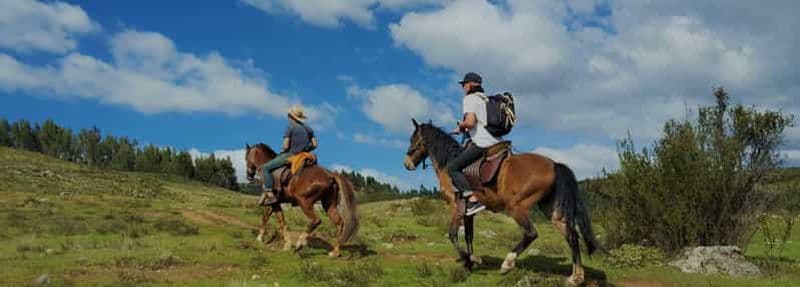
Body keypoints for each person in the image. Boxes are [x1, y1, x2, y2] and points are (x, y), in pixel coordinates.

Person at [448, 72, 501, 216]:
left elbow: (471, 122)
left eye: (464, 84)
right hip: (497, 141)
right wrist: (461, 128)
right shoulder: (486, 99)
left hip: (483, 143)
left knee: (452, 168)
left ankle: (474, 198)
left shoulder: (470, 98)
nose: (463, 87)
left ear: (471, 84)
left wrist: (462, 124)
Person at [259, 105, 318, 206]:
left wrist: (283, 150)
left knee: (265, 168)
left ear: (290, 116)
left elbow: (286, 146)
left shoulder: (290, 127)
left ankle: (270, 194)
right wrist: (306, 149)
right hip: (305, 155)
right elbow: (315, 145)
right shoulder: (309, 129)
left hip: (291, 155)